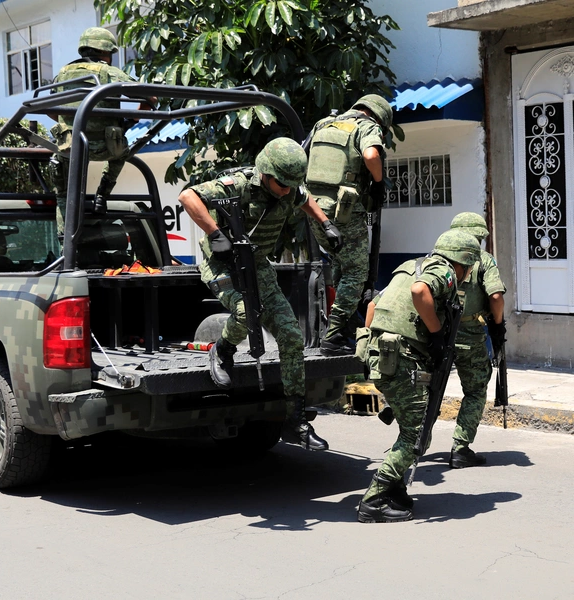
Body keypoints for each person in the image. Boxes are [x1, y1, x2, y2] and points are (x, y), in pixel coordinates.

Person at [178, 138, 343, 451]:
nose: (286, 191)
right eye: (281, 184)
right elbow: (188, 196)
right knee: (245, 312)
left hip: (258, 264)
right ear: (266, 173)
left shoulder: (289, 186)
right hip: (223, 263)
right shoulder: (239, 184)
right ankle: (223, 350)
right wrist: (215, 234)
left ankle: (296, 420)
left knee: (292, 336)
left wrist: (326, 223)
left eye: (290, 185)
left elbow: (305, 198)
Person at [356, 229, 481, 523]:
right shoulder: (445, 271)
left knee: (409, 427)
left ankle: (395, 490)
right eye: (469, 267)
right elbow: (419, 292)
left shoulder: (411, 265)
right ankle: (373, 500)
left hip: (383, 358)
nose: (467, 274)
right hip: (402, 360)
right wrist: (436, 333)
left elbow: (373, 306)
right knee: (416, 436)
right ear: (462, 261)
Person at [306, 94, 393, 356]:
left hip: (313, 208)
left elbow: (303, 155)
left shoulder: (324, 124)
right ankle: (333, 336)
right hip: (343, 211)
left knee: (340, 264)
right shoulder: (367, 126)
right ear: (379, 117)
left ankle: (347, 326)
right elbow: (370, 154)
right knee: (356, 271)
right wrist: (378, 182)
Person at [50, 27, 151, 235]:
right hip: (107, 146)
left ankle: (65, 243)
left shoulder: (62, 73)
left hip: (71, 147)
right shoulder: (109, 72)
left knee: (63, 193)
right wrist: (134, 117)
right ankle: (102, 195)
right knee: (123, 152)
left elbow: (49, 106)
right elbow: (150, 97)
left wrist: (69, 124)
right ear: (106, 51)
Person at [446, 212, 507, 468]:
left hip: (439, 331)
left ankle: (412, 442)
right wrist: (498, 323)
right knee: (475, 390)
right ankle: (460, 448)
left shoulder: (439, 258)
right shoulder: (484, 260)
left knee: (428, 388)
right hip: (470, 335)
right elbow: (495, 297)